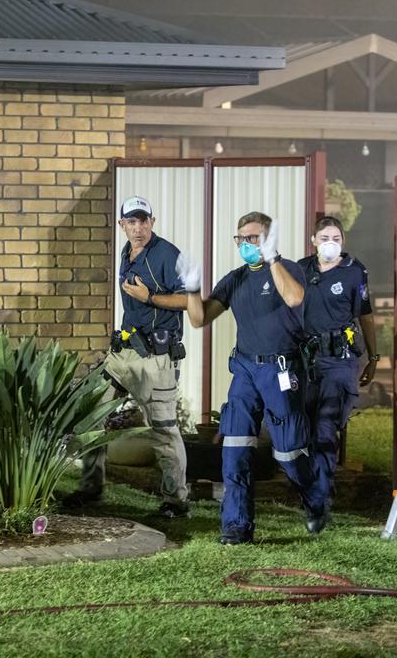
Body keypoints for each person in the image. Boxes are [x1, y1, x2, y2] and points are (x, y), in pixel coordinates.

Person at [177, 211, 329, 543]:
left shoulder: (288, 270)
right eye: (241, 239)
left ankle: (316, 500)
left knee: (289, 451)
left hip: (280, 369)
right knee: (234, 448)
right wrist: (191, 288)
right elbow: (200, 318)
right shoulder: (235, 279)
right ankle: (236, 527)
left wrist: (272, 258)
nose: (246, 244)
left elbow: (294, 298)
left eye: (253, 238)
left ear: (269, 240)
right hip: (245, 369)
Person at [62, 195, 191, 518]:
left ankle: (176, 502)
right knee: (91, 414)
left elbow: (190, 300)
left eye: (143, 220)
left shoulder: (167, 254)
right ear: (122, 226)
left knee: (164, 429)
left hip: (155, 359)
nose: (138, 228)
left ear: (152, 222)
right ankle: (91, 488)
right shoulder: (126, 252)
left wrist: (152, 297)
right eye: (131, 222)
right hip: (122, 354)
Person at [298, 216, 378, 506]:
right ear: (313, 242)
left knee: (326, 426)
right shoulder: (300, 270)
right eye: (324, 239)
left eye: (335, 239)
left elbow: (365, 315)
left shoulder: (354, 272)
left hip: (339, 361)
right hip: (306, 362)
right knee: (305, 428)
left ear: (342, 241)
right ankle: (313, 489)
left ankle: (321, 497)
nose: (330, 244)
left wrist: (373, 355)